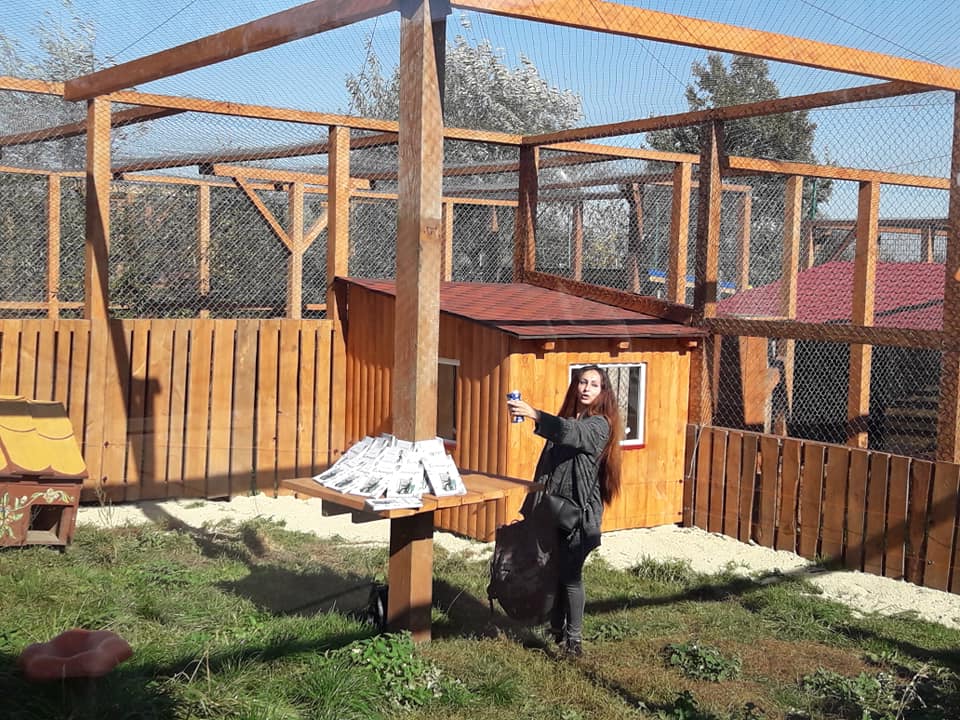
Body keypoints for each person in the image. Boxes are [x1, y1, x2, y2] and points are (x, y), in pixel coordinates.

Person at [507, 365, 622, 657]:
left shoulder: (599, 425)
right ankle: (557, 629)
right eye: (582, 382)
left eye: (594, 384)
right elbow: (546, 468)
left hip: (580, 516)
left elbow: (572, 433)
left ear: (603, 392)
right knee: (555, 571)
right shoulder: (571, 419)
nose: (586, 388)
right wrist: (533, 508)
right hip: (555, 510)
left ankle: (574, 641)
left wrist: (535, 414)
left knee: (570, 576)